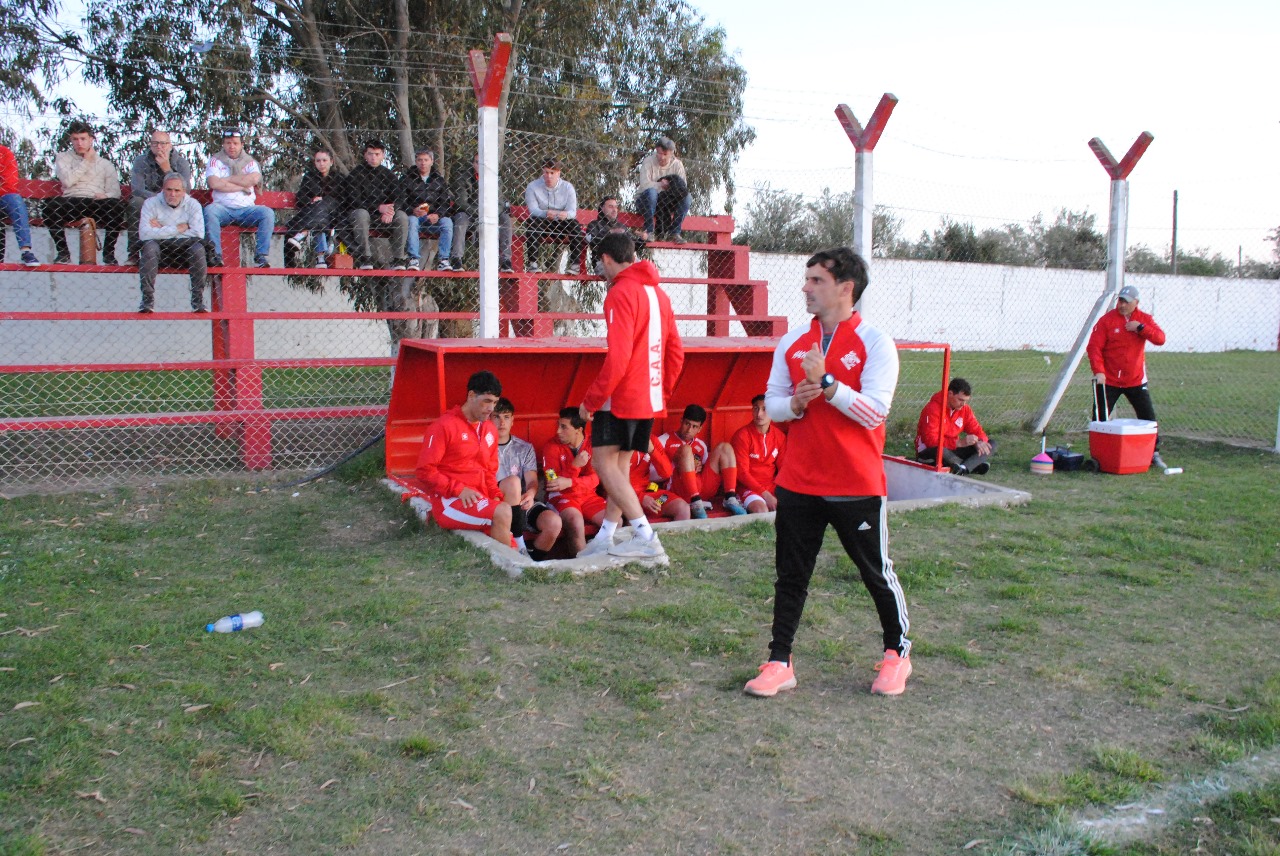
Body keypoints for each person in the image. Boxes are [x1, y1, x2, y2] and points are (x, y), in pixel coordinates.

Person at [745, 247, 912, 698]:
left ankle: (897, 654)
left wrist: (829, 385)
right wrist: (796, 404)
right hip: (798, 482)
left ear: (845, 288)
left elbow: (874, 414)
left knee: (875, 572)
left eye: (816, 280)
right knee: (791, 576)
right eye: (807, 279)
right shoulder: (792, 342)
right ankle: (779, 662)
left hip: (855, 483)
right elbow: (774, 404)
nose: (806, 288)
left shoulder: (876, 343)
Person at [576, 232, 684, 560]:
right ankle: (606, 536)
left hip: (622, 395)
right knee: (620, 466)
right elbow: (676, 352)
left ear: (606, 259)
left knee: (603, 463)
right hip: (649, 395)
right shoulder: (659, 294)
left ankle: (645, 536)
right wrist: (661, 392)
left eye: (600, 262)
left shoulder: (620, 292)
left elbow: (619, 358)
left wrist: (591, 401)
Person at [413, 370, 513, 547]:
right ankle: (516, 561)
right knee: (503, 513)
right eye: (487, 401)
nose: (491, 408)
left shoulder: (490, 429)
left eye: (495, 402)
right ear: (471, 395)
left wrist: (495, 496)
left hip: (478, 500)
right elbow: (424, 471)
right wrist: (459, 490)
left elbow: (489, 471)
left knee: (506, 521)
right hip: (450, 502)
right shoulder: (444, 426)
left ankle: (517, 558)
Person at [1086, 284, 1168, 469]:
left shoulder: (1144, 319)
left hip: (1135, 379)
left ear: (1136, 302)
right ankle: (1100, 454)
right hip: (1109, 380)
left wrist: (1141, 328)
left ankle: (1153, 453)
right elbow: (1094, 347)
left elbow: (1160, 338)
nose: (1122, 305)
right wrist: (1099, 371)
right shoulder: (1107, 321)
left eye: (1126, 302)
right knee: (1099, 418)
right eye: (1120, 301)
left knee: (1147, 417)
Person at [44, 121, 126, 264]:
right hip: (72, 201)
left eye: (83, 139)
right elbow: (68, 181)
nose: (79, 143)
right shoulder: (63, 158)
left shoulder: (105, 164)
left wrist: (106, 196)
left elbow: (115, 191)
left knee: (116, 206)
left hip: (96, 202)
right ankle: (63, 253)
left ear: (91, 139)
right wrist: (86, 161)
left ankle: (109, 254)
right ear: (71, 140)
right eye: (75, 139)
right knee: (50, 206)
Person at [491, 397, 562, 560]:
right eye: (496, 417)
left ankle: (531, 563)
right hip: (496, 502)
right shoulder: (482, 447)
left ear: (512, 420)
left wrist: (530, 494)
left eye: (506, 417)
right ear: (489, 419)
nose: (502, 422)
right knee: (513, 482)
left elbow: (532, 481)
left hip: (523, 502)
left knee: (554, 523)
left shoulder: (524, 447)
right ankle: (519, 548)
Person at [657, 404, 747, 519]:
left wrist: (699, 466)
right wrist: (676, 463)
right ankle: (695, 501)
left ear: (700, 429)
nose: (689, 430)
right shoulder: (663, 440)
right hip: (678, 490)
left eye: (694, 426)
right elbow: (652, 473)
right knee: (686, 449)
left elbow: (706, 470)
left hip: (701, 490)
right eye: (687, 424)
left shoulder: (701, 445)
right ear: (681, 421)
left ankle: (730, 497)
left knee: (725, 447)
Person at [203, 128, 275, 268]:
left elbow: (253, 180)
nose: (232, 146)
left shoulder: (250, 162)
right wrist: (242, 186)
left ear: (242, 144)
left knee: (267, 213)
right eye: (228, 143)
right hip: (222, 209)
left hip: (247, 210)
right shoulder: (215, 160)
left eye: (235, 143)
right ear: (223, 144)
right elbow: (214, 183)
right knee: (210, 211)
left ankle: (260, 256)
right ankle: (215, 255)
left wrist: (227, 179)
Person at [137, 173, 208, 314]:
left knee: (198, 248)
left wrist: (160, 229)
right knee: (149, 247)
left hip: (184, 252)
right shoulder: (150, 203)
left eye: (177, 190)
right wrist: (178, 228)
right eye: (169, 190)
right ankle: (147, 301)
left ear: (184, 191)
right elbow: (144, 234)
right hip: (160, 253)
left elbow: (198, 233)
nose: (172, 194)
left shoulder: (193, 205)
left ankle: (198, 301)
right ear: (163, 189)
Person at [540, 407, 606, 556]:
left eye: (564, 427)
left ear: (579, 430)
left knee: (614, 521)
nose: (558, 431)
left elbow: (595, 479)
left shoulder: (593, 444)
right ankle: (582, 565)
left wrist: (570, 482)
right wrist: (574, 467)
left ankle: (603, 562)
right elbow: (553, 482)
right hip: (560, 496)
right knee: (575, 522)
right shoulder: (550, 446)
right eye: (558, 425)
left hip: (587, 496)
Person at [340, 138, 408, 270]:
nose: (373, 157)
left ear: (382, 155)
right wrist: (378, 208)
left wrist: (391, 211)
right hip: (364, 215)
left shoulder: (389, 175)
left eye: (377, 154)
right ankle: (365, 257)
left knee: (402, 217)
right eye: (370, 154)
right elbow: (353, 200)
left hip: (385, 217)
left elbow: (399, 197)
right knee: (361, 214)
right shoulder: (356, 174)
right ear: (365, 155)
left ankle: (398, 259)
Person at [128, 130, 193, 262]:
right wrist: (159, 200)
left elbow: (185, 192)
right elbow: (137, 189)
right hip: (148, 203)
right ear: (150, 145)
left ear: (170, 145)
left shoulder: (182, 163)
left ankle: (179, 256)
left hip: (174, 203)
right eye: (155, 143)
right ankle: (133, 253)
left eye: (163, 144)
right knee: (135, 202)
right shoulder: (141, 161)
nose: (159, 147)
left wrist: (167, 169)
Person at [914, 377, 994, 475]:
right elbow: (931, 441)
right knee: (940, 450)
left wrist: (979, 441)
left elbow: (977, 430)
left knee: (991, 444)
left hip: (953, 449)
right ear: (950, 394)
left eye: (966, 401)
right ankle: (971, 466)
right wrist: (959, 443)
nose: (963, 404)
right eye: (960, 400)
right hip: (930, 452)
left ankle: (963, 467)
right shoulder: (933, 409)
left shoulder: (965, 410)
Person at [450, 153, 513, 272]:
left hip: (490, 214)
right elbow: (461, 202)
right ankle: (456, 259)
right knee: (460, 218)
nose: (480, 165)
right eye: (477, 162)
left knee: (505, 219)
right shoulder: (463, 178)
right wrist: (480, 212)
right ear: (473, 164)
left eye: (483, 163)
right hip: (469, 213)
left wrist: (489, 213)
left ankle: (506, 260)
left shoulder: (495, 179)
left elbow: (500, 203)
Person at [522, 158, 585, 273]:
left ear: (558, 173)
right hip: (543, 221)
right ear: (542, 171)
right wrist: (545, 213)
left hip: (562, 223)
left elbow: (572, 212)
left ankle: (575, 265)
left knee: (575, 226)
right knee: (531, 222)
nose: (549, 176)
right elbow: (533, 210)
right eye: (546, 172)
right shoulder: (532, 187)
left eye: (552, 173)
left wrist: (566, 214)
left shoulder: (568, 187)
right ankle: (533, 263)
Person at [285, 147, 342, 268]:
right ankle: (320, 257)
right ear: (315, 162)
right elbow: (301, 198)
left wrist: (323, 199)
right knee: (319, 215)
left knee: (322, 208)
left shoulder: (339, 178)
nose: (321, 164)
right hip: (316, 215)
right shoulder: (309, 177)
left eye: (324, 160)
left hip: (333, 215)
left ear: (331, 162)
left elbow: (341, 199)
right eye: (318, 161)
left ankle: (303, 234)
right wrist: (311, 200)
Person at [730, 394, 787, 513]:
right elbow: (742, 473)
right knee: (761, 511)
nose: (759, 414)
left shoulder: (779, 436)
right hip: (748, 487)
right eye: (756, 408)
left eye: (764, 409)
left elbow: (784, 469)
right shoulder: (742, 436)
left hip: (772, 487)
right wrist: (765, 494)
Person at [402, 148, 456, 271]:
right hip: (415, 216)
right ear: (416, 161)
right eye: (420, 160)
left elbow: (445, 203)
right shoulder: (407, 179)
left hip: (434, 218)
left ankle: (444, 259)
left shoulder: (439, 180)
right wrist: (412, 210)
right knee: (411, 221)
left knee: (447, 223)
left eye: (426, 160)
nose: (423, 163)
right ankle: (413, 259)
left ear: (432, 161)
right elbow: (401, 201)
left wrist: (438, 215)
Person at [634, 136, 690, 243]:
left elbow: (682, 189)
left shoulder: (677, 165)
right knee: (652, 192)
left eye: (665, 154)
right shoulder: (648, 161)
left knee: (687, 197)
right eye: (659, 153)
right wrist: (660, 184)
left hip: (667, 202)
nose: (661, 157)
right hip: (645, 202)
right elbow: (644, 184)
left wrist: (670, 186)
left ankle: (675, 233)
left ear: (671, 154)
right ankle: (649, 231)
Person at [631, 438, 691, 522]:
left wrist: (652, 451)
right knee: (631, 518)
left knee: (683, 508)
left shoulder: (651, 439)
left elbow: (667, 473)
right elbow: (614, 483)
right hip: (624, 497)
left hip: (647, 491)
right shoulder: (619, 441)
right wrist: (639, 498)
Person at [0, 142, 39, 266]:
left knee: (15, 200)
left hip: (3, 196)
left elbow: (9, 184)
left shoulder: (4, 153)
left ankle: (26, 251)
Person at [585, 196, 644, 275]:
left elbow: (633, 246)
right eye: (610, 206)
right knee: (625, 272)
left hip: (625, 260)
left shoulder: (621, 226)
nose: (614, 210)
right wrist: (610, 232)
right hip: (603, 262)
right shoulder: (594, 225)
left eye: (616, 207)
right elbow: (591, 240)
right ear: (602, 208)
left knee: (644, 270)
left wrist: (642, 239)